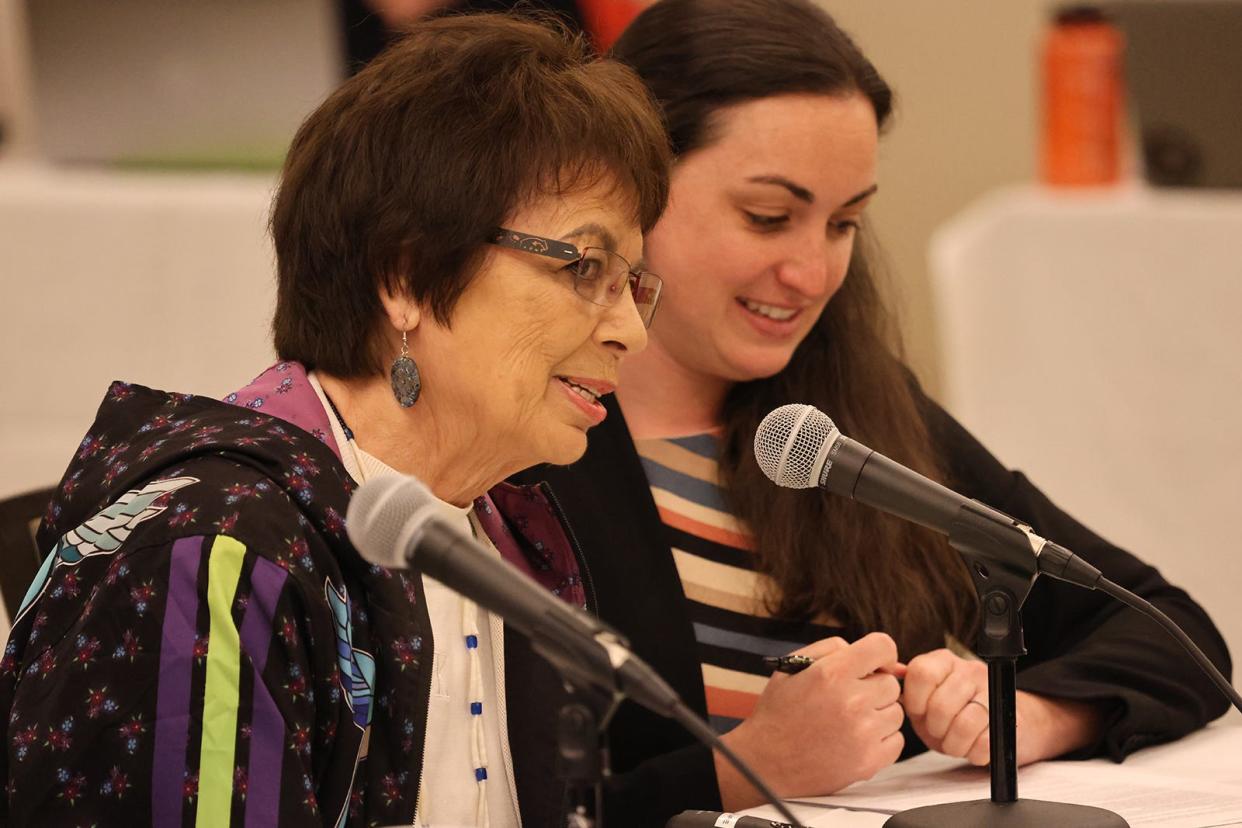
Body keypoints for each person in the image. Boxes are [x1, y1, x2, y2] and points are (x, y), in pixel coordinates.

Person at [513, 0, 1232, 823]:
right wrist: (749, 768)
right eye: (770, 218)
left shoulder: (842, 410)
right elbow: (495, 801)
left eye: (845, 222)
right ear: (632, 188)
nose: (813, 273)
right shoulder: (517, 444)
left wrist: (1024, 715)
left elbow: (1167, 631)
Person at [0, 13, 669, 826]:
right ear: (408, 278)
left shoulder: (507, 536)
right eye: (585, 267)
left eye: (632, 282)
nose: (628, 329)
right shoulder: (218, 555)